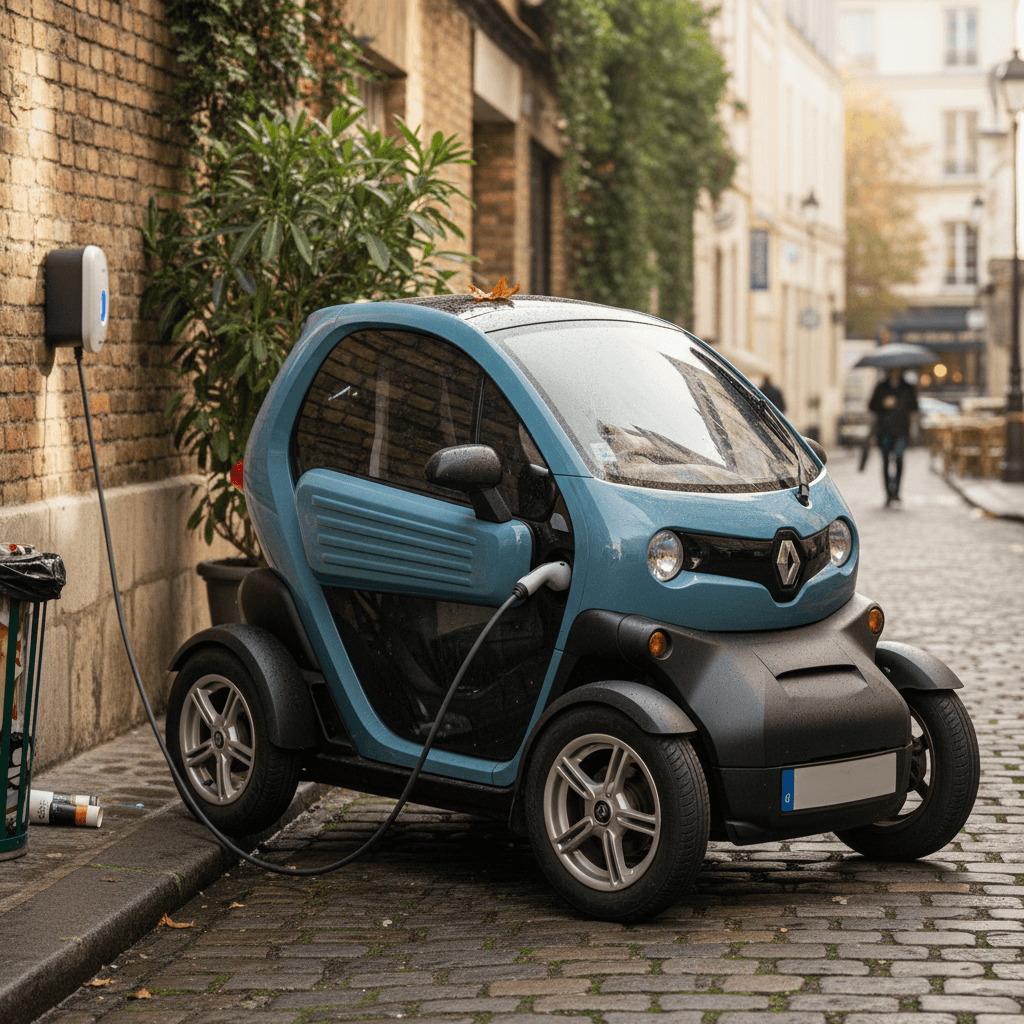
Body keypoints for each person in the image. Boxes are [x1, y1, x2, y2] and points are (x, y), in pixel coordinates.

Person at [868, 367, 918, 506]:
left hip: (901, 431)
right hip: (884, 431)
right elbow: (871, 406)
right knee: (885, 462)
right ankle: (888, 493)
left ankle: (896, 491)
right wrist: (883, 404)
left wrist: (900, 404)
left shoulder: (908, 388)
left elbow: (914, 407)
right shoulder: (881, 387)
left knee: (899, 459)